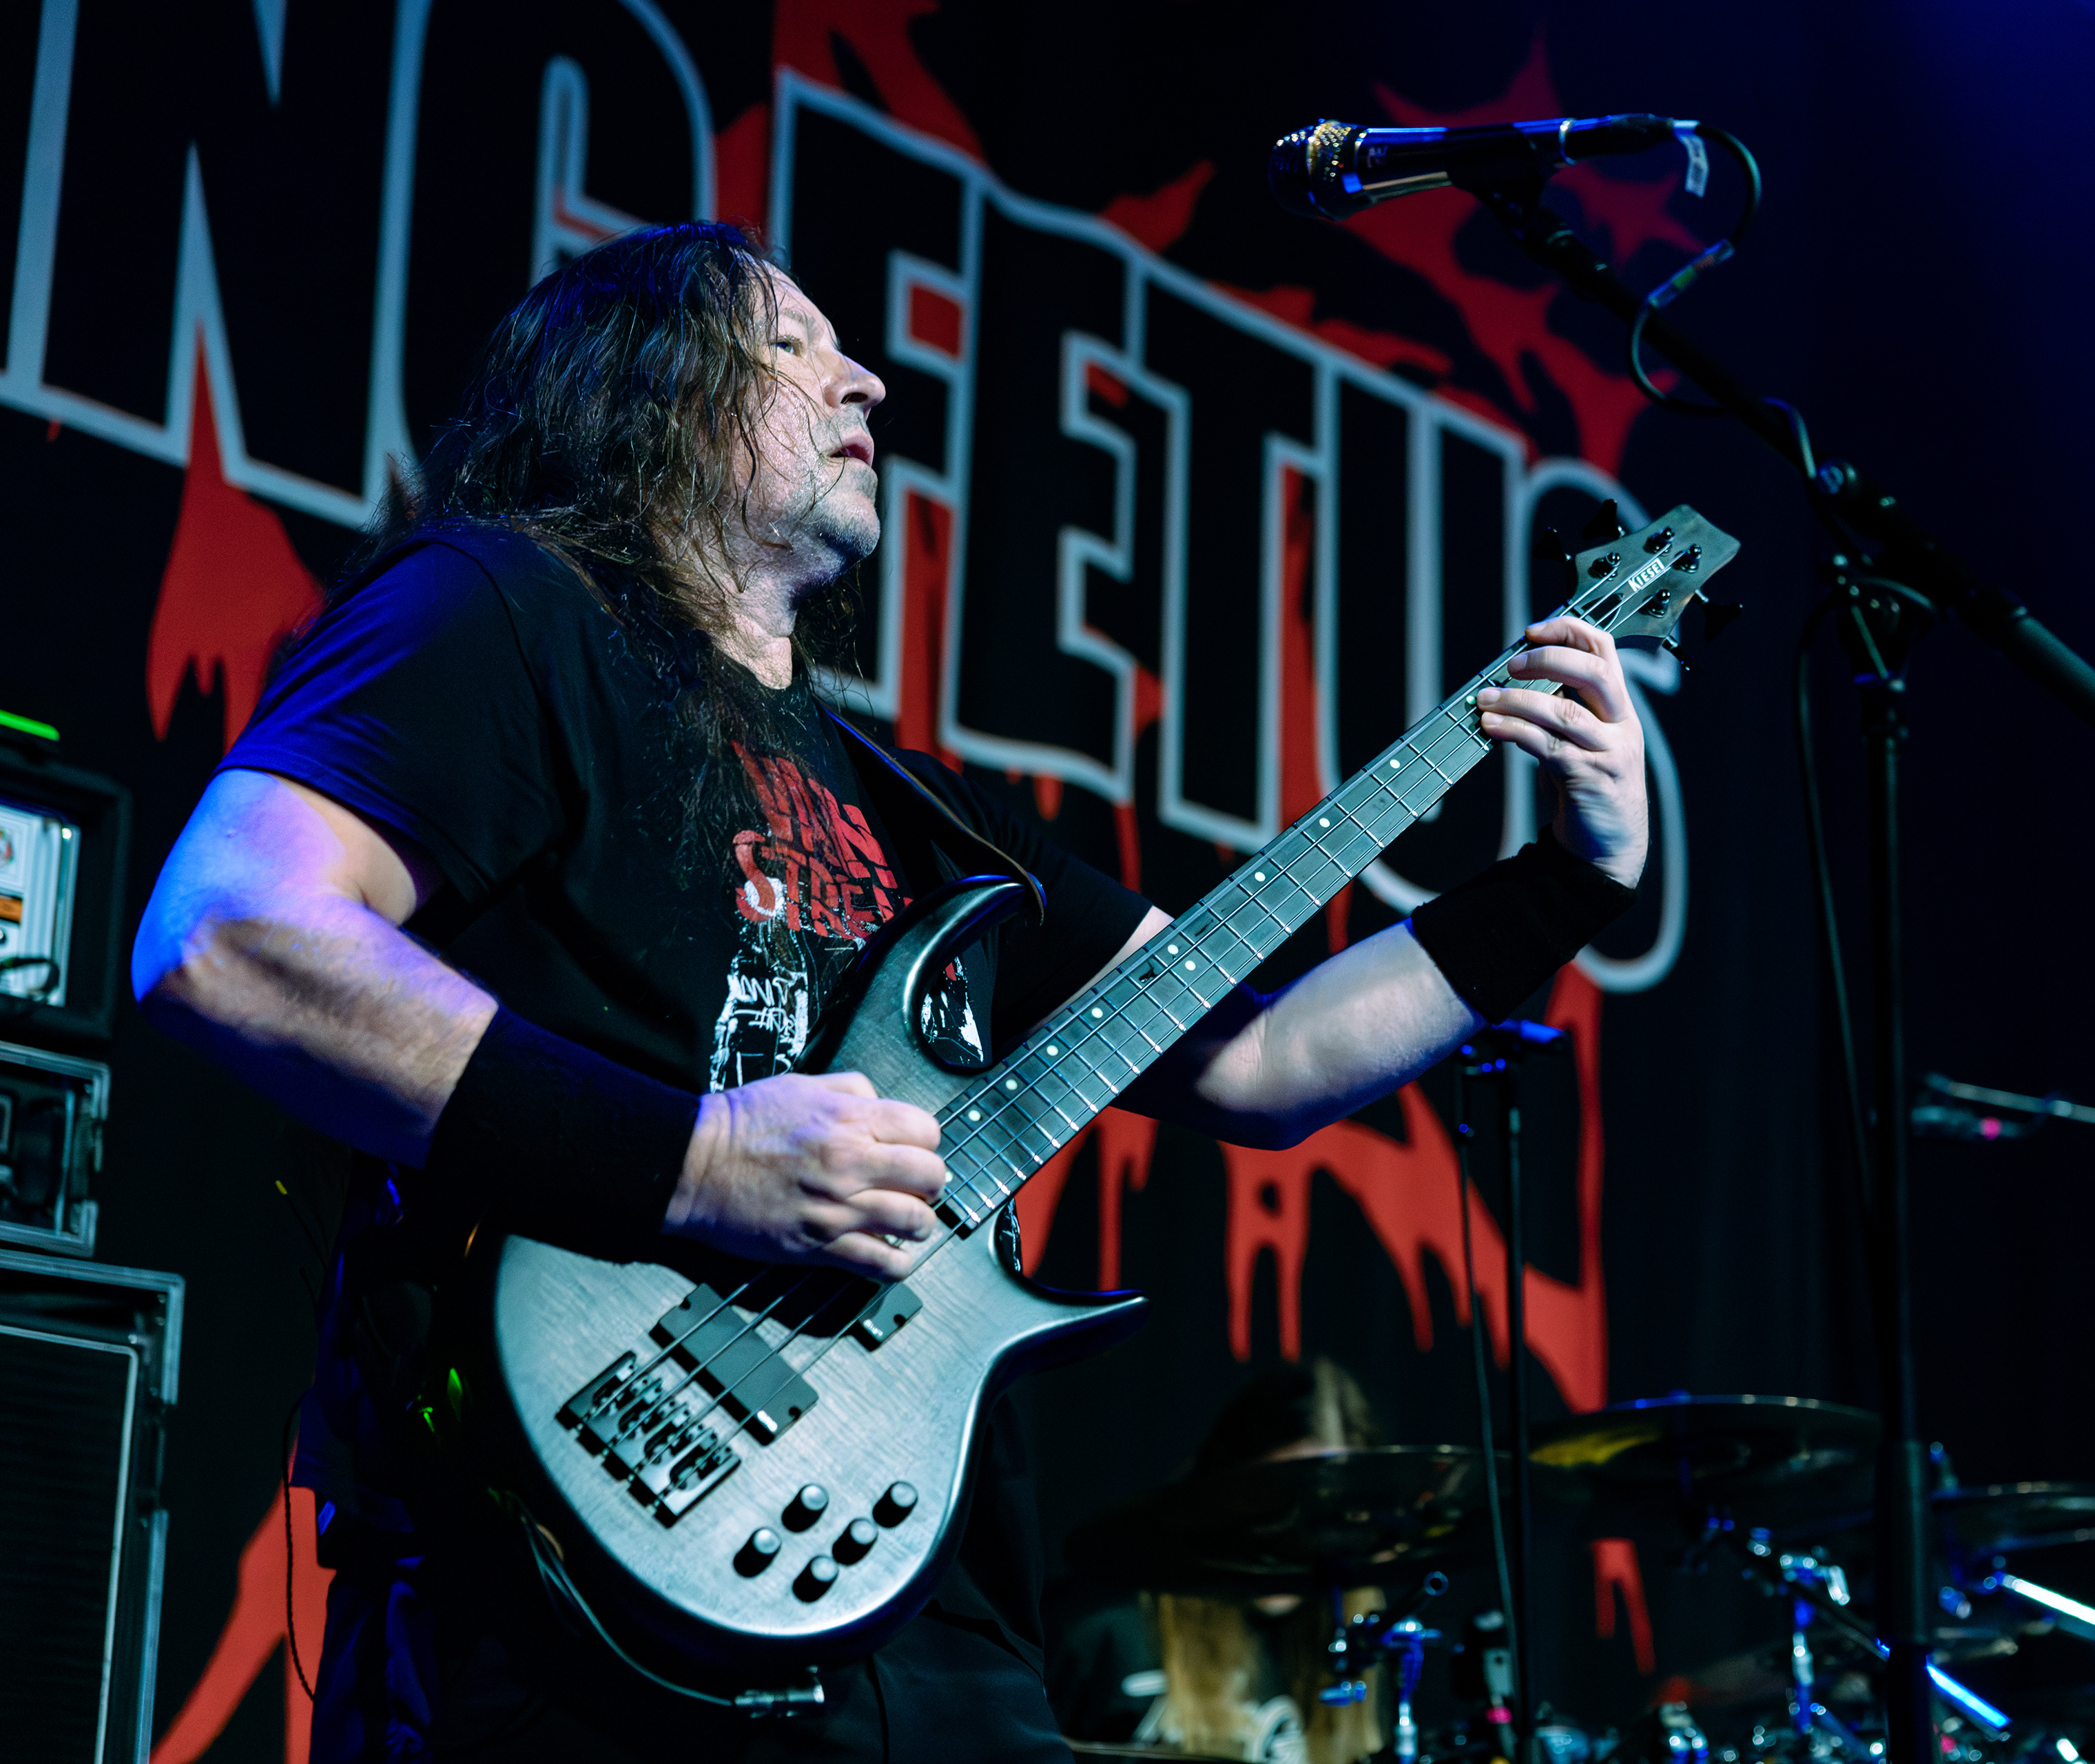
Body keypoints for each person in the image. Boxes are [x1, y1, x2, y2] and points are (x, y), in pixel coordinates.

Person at [132, 222, 1649, 1763]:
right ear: (645, 390)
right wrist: (703, 1163)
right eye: (792, 344)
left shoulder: (929, 817)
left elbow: (1266, 1064)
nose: (864, 379)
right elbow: (229, 931)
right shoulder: (503, 610)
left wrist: (1570, 883)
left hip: (921, 1615)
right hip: (561, 1590)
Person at [1049, 1360, 1393, 1764]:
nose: (1299, 1534)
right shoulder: (1107, 1628)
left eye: (1330, 1509)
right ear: (1221, 1488)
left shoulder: (1359, 1637)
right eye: (1277, 1498)